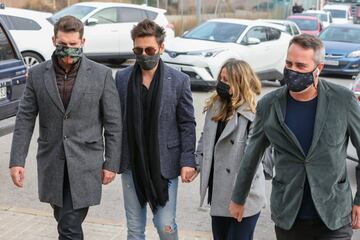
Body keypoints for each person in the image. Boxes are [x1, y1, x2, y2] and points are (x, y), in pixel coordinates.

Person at [229, 34, 360, 240]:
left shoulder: (343, 100)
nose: (293, 71)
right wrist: (238, 198)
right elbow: (252, 154)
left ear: (319, 68)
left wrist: (359, 200)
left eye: (301, 66)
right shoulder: (269, 105)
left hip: (334, 215)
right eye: (289, 64)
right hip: (289, 215)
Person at [9, 16, 122, 239]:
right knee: (64, 220)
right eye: (63, 45)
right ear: (53, 40)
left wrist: (111, 163)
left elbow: (113, 123)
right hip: (52, 163)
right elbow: (25, 119)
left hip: (85, 164)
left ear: (82, 42)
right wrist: (17, 161)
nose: (68, 50)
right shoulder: (38, 74)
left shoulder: (101, 75)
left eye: (73, 45)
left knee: (69, 226)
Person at [115, 19, 197, 240]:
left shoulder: (179, 80)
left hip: (165, 163)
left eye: (149, 49)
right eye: (138, 50)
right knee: (134, 228)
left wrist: (188, 160)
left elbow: (187, 123)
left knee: (165, 224)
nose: (143, 55)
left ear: (161, 47)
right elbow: (114, 122)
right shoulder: (122, 78)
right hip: (131, 163)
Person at [196, 59, 266, 240]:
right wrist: (197, 164)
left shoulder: (254, 114)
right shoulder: (215, 106)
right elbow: (206, 138)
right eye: (221, 78)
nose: (222, 83)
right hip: (219, 193)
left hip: (244, 197)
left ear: (239, 83)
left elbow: (253, 161)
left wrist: (240, 199)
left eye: (227, 80)